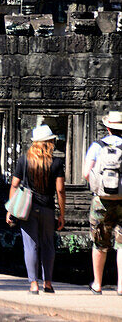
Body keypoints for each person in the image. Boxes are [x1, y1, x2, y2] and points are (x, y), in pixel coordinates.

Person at [7, 125, 65, 294]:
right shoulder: (56, 162)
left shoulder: (23, 160)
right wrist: (62, 213)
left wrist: (11, 209)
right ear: (49, 143)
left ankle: (33, 284)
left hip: (27, 209)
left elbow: (14, 185)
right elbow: (60, 189)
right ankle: (48, 283)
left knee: (30, 246)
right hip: (47, 208)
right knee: (48, 245)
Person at [83, 110, 122, 294]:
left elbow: (85, 173)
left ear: (108, 127)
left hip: (101, 200)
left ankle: (97, 284)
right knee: (121, 244)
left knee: (99, 243)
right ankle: (121, 286)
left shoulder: (97, 146)